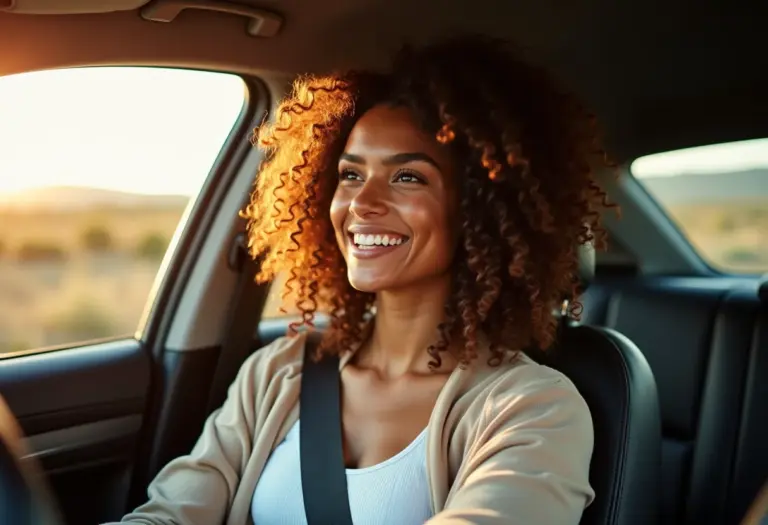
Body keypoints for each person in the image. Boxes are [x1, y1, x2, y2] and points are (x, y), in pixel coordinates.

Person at [109, 35, 614, 525]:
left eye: (408, 177)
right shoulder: (278, 372)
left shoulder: (534, 408)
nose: (362, 203)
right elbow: (171, 513)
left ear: (479, 209)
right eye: (351, 175)